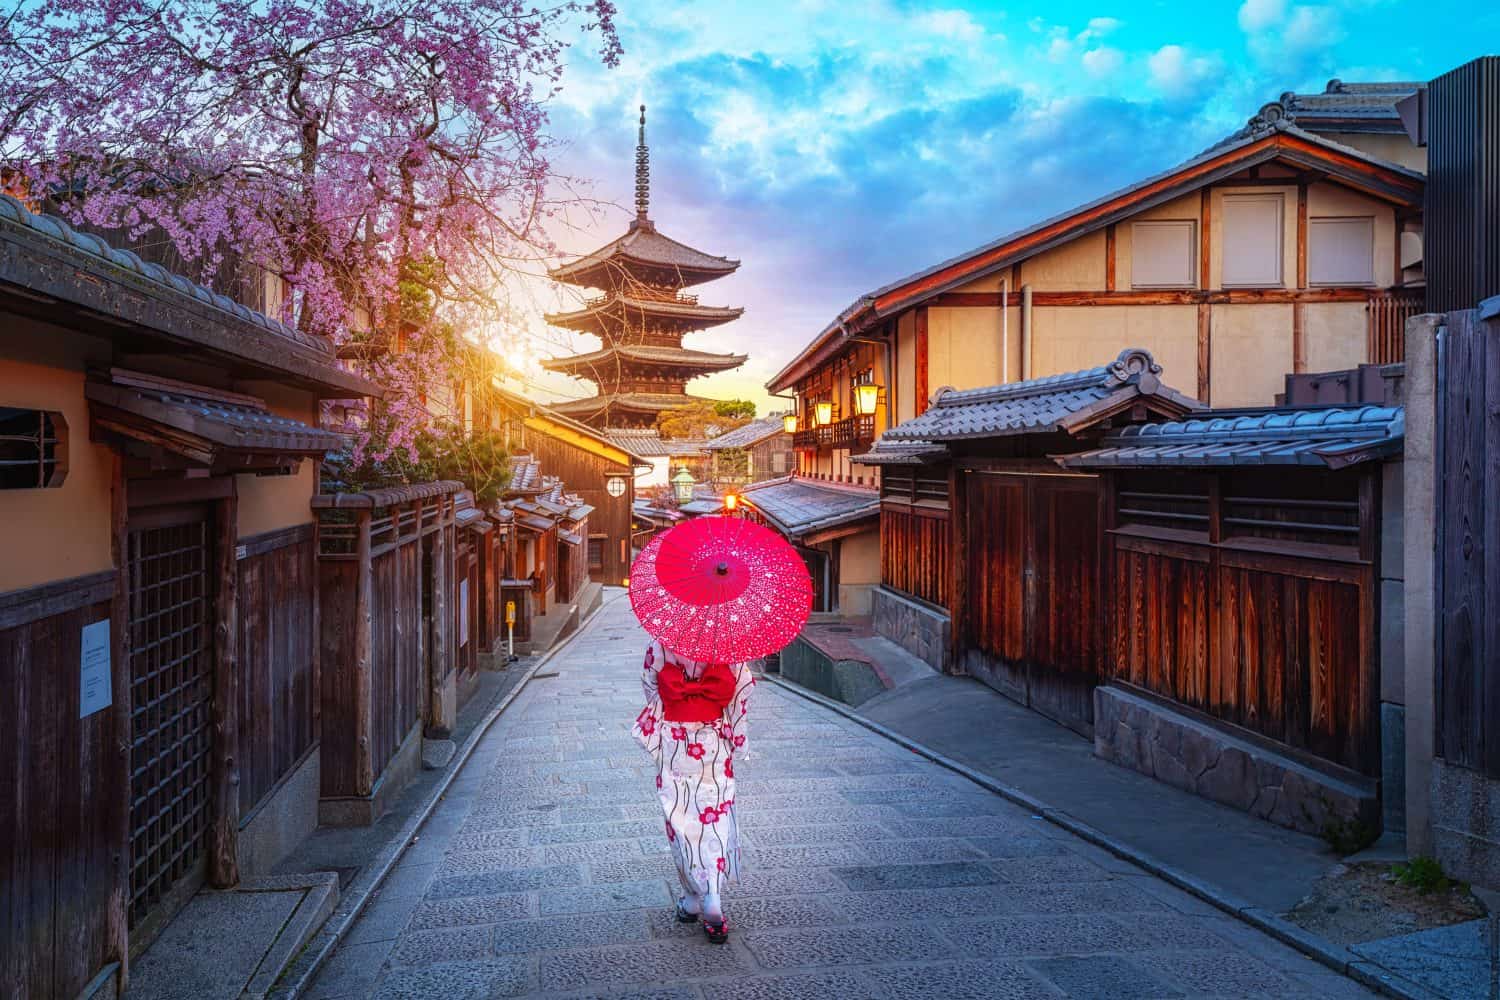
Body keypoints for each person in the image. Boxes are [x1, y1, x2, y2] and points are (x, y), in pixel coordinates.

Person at [632, 637, 754, 943]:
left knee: (680, 820)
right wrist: (737, 737)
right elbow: (742, 689)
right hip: (713, 743)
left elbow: (650, 685)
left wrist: (679, 697)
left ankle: (692, 899)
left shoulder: (660, 643)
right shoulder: (727, 643)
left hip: (675, 742)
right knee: (715, 816)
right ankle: (712, 895)